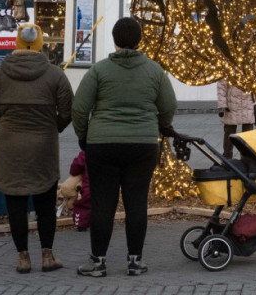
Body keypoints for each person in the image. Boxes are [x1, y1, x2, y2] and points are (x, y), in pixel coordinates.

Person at [72, 17, 180, 278]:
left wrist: (84, 136)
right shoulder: (155, 71)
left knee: (102, 204)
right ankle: (135, 261)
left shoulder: (99, 70)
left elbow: (80, 108)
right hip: (142, 146)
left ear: (114, 41)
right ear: (139, 40)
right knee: (137, 203)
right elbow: (169, 106)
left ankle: (98, 262)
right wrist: (161, 127)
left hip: (103, 146)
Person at [0, 24, 73, 274]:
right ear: (41, 44)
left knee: (16, 205)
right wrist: (53, 127)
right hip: (44, 147)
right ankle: (47, 256)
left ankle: (23, 258)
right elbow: (67, 110)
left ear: (17, 43)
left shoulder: (0, 73)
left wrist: (5, 125)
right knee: (45, 204)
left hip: (10, 147)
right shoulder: (55, 74)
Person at [216, 78, 256, 159]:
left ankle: (246, 157)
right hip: (231, 106)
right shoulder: (228, 70)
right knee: (229, 132)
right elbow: (221, 86)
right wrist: (222, 105)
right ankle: (227, 156)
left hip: (247, 104)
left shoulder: (250, 70)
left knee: (248, 134)